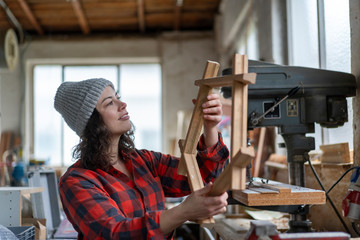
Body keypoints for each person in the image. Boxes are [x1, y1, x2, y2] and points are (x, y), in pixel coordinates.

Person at [54, 78, 229, 239]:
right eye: (109, 103)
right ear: (92, 123)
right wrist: (184, 211)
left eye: (118, 97)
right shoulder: (77, 181)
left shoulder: (144, 161)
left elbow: (200, 177)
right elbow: (115, 233)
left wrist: (210, 126)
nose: (122, 104)